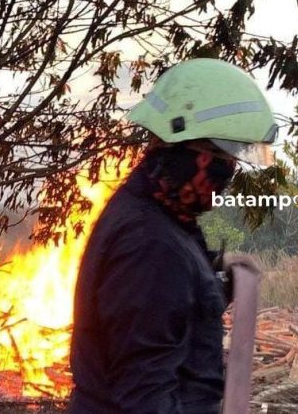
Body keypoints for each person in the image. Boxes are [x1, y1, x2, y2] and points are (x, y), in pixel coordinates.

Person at [69, 58, 277, 413]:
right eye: (219, 155)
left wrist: (212, 279)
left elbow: (167, 304)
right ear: (182, 148)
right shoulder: (150, 243)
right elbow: (145, 394)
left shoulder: (162, 214)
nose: (228, 170)